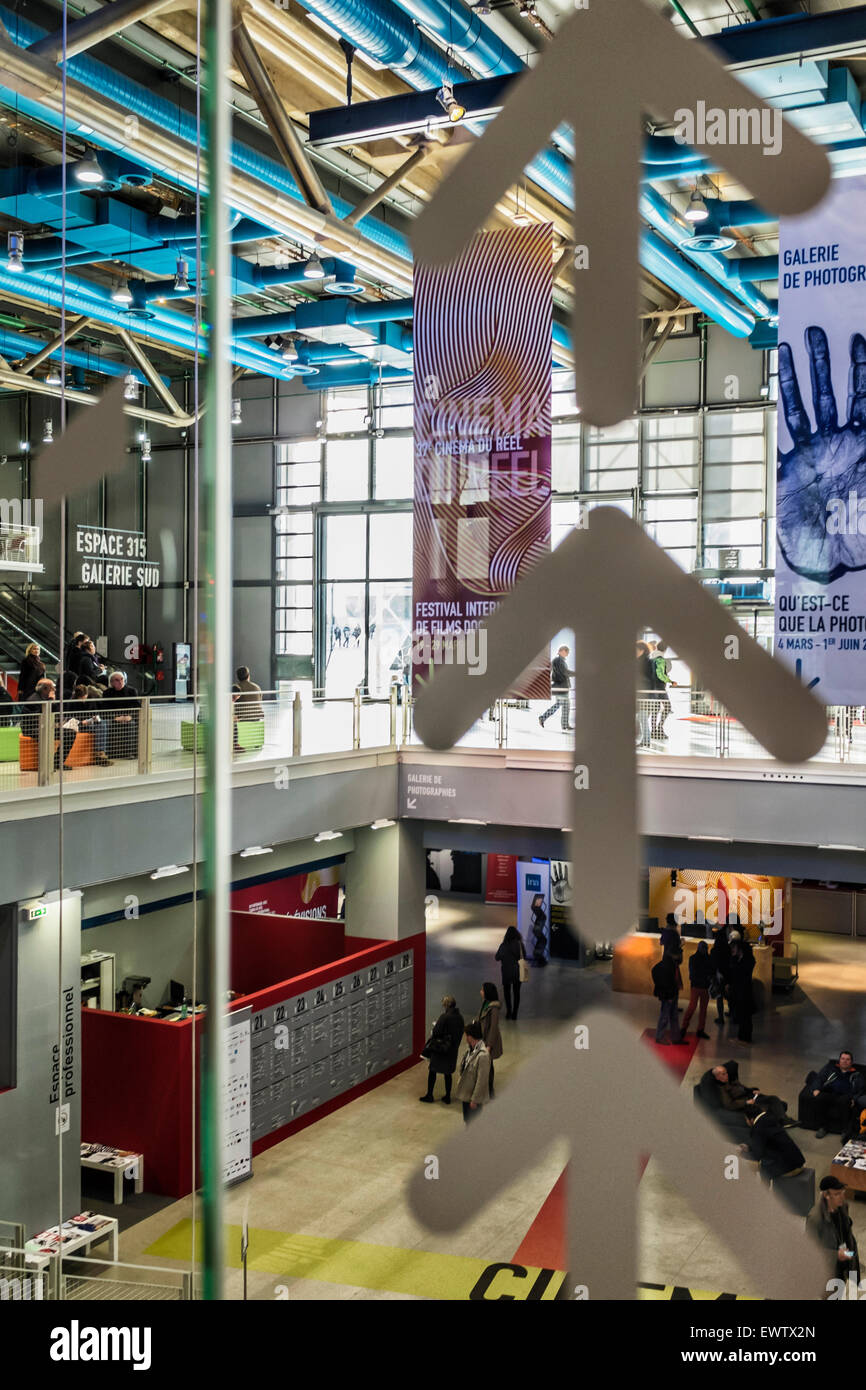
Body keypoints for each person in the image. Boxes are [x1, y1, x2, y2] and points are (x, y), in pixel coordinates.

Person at [807, 1175, 860, 1286]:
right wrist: (836, 1255)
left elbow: (847, 1232)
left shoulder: (843, 1206)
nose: (842, 1197)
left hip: (844, 1262)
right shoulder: (815, 1219)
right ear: (826, 1195)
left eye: (842, 1192)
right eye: (837, 1194)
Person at [740, 1097, 805, 1181]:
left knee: (751, 1163)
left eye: (746, 1119)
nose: (746, 1122)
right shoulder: (770, 1118)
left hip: (788, 1169)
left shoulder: (757, 1129)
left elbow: (758, 1154)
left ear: (751, 1119)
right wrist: (749, 1146)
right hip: (798, 1162)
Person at [20, 678, 76, 769]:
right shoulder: (33, 700)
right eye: (52, 688)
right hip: (33, 729)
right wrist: (50, 701)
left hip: (45, 727)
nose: (55, 690)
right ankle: (47, 765)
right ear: (45, 689)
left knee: (70, 733)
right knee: (47, 735)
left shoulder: (45, 698)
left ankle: (57, 762)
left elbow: (56, 714)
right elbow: (40, 717)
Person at [419, 995, 464, 1105]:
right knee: (447, 1073)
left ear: (446, 1005)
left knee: (432, 1071)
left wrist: (435, 1027)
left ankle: (430, 1095)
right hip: (452, 1049)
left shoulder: (444, 1017)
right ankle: (447, 1096)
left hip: (441, 1049)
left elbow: (436, 1032)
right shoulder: (460, 1017)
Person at [807, 1052, 863, 1139]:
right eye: (843, 1059)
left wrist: (854, 1099)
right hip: (830, 1093)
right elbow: (819, 1078)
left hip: (845, 1096)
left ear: (851, 1062)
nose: (845, 1061)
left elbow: (860, 1090)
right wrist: (816, 1089)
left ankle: (845, 1130)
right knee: (820, 1098)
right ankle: (823, 1127)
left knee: (844, 1102)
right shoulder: (830, 1068)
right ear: (839, 1060)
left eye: (847, 1059)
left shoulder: (856, 1075)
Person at [454, 1020, 491, 1123]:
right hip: (466, 1095)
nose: (465, 1039)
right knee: (467, 1120)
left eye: (466, 1036)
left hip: (473, 1098)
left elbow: (481, 1080)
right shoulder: (470, 1050)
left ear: (470, 1037)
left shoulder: (483, 1055)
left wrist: (475, 1100)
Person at [70, 684, 113, 766]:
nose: (83, 700)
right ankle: (100, 753)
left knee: (103, 723)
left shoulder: (91, 700)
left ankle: (100, 752)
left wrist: (93, 718)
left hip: (89, 723)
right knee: (102, 726)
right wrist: (81, 722)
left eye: (84, 697)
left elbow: (95, 713)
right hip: (77, 724)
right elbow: (70, 717)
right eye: (81, 698)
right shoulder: (72, 703)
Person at [651, 948, 686, 1045]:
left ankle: (674, 1037)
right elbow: (666, 979)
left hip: (671, 993)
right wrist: (666, 991)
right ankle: (660, 1037)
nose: (680, 957)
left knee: (672, 1016)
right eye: (679, 954)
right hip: (669, 994)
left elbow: (655, 971)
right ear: (674, 955)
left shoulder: (671, 963)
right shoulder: (669, 965)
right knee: (665, 1016)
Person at [103, 670, 140, 759]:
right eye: (117, 680)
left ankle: (130, 752)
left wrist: (130, 716)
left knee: (131, 724)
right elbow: (105, 709)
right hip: (114, 718)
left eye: (122, 679)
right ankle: (112, 753)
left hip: (128, 717)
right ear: (111, 682)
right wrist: (115, 718)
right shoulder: (107, 693)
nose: (120, 682)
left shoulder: (132, 691)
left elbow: (137, 706)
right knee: (108, 724)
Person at [728, 931, 756, 1043]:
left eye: (734, 948)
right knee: (741, 1015)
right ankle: (741, 1037)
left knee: (745, 1016)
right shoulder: (738, 960)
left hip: (744, 992)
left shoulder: (746, 961)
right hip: (739, 991)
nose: (732, 950)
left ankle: (745, 1038)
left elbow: (742, 975)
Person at [538, 645, 574, 732]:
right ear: (562, 651)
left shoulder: (559, 661)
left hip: (561, 686)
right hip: (561, 687)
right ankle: (563, 724)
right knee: (564, 705)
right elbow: (565, 672)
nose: (567, 654)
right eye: (567, 652)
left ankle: (563, 724)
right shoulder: (558, 660)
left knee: (561, 705)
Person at [681, 939, 712, 1039]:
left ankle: (685, 1028)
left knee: (694, 1007)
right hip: (702, 986)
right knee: (699, 1009)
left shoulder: (693, 958)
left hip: (697, 986)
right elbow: (708, 972)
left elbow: (693, 974)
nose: (705, 950)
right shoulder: (707, 959)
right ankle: (698, 1030)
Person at [495, 924, 526, 1020]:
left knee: (507, 992)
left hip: (506, 972)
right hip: (517, 972)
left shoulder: (503, 945)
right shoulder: (519, 944)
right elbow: (524, 956)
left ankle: (508, 1011)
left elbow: (497, 957)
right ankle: (515, 1014)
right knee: (517, 993)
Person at [478, 983, 503, 1098]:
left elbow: (493, 1027)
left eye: (482, 990)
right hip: (482, 1038)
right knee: (485, 1065)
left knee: (488, 1066)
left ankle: (489, 1090)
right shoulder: (485, 1003)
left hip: (488, 1040)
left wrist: (489, 1045)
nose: (480, 991)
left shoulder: (494, 1008)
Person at [651, 641, 678, 739]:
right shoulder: (660, 659)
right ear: (665, 649)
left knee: (655, 709)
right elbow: (660, 675)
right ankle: (659, 728)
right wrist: (671, 681)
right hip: (660, 688)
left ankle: (654, 731)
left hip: (652, 687)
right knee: (667, 707)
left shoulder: (651, 657)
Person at [709, 924, 731, 1026]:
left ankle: (720, 1018)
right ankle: (732, 1013)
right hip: (727, 975)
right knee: (729, 995)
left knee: (719, 997)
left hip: (718, 976)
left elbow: (712, 963)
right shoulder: (729, 949)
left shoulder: (715, 950)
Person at [635, 641, 655, 748]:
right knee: (641, 718)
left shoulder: (647, 662)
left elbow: (649, 679)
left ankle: (646, 741)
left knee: (642, 718)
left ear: (642, 650)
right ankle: (645, 740)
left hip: (645, 695)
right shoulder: (639, 661)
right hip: (641, 695)